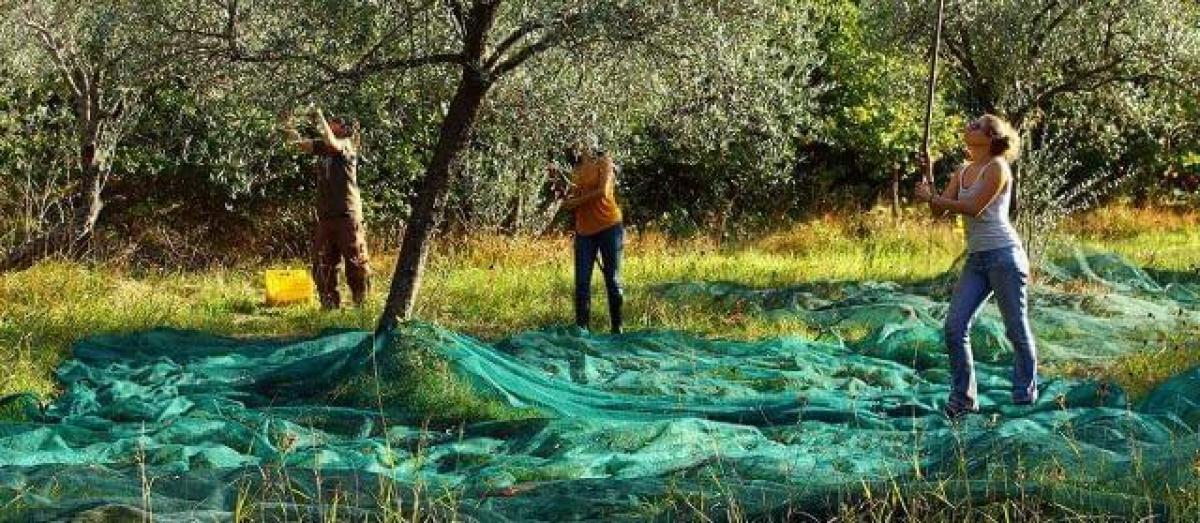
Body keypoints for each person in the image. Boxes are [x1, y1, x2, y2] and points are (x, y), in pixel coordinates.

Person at [915, 114, 1038, 418]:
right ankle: (963, 398)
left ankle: (1025, 394)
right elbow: (938, 210)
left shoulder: (998, 168)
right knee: (955, 328)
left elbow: (973, 207)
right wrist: (929, 173)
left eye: (976, 124)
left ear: (991, 136)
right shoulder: (964, 170)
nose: (970, 126)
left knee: (1015, 328)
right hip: (977, 259)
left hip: (1004, 256)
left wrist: (936, 199)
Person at [280, 107, 371, 309]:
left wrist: (319, 116)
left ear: (344, 128)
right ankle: (329, 304)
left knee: (355, 261)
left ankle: (361, 302)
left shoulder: (346, 145)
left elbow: (332, 142)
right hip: (326, 216)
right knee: (323, 262)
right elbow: (298, 144)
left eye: (335, 121)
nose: (330, 123)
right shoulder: (324, 147)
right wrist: (287, 124)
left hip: (347, 214)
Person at [561, 138, 625, 334]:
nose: (576, 145)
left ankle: (617, 329)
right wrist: (566, 200)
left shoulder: (604, 161)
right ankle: (582, 330)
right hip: (584, 230)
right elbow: (569, 196)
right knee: (581, 283)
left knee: (612, 279)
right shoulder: (574, 169)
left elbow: (603, 192)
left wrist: (576, 202)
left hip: (609, 225)